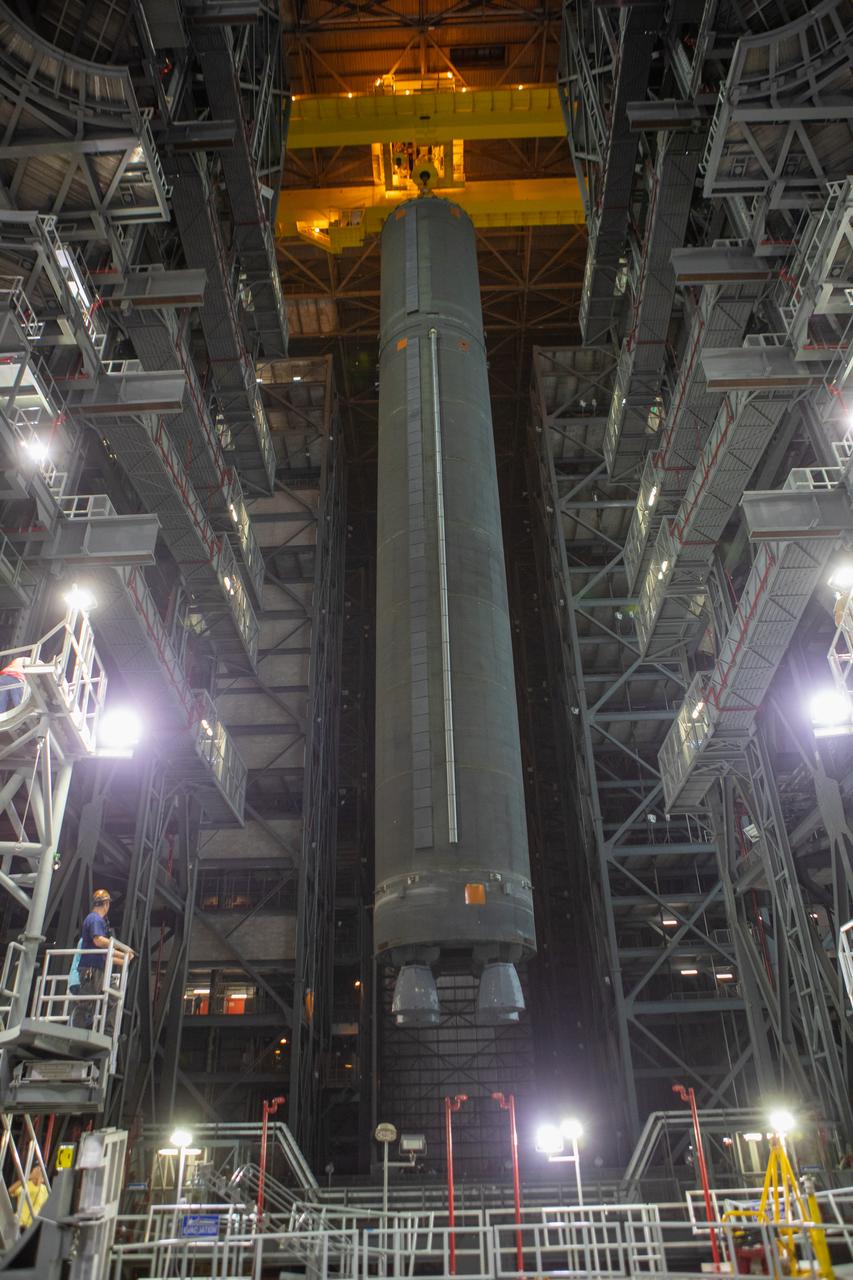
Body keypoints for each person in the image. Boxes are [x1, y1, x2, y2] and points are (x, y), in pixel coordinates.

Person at [73, 890, 133, 1032]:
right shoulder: (95, 919)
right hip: (92, 970)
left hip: (100, 969)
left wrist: (125, 958)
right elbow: (98, 941)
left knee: (114, 997)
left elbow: (106, 954)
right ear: (106, 904)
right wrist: (122, 949)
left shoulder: (94, 920)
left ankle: (108, 1031)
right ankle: (76, 1031)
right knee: (86, 1003)